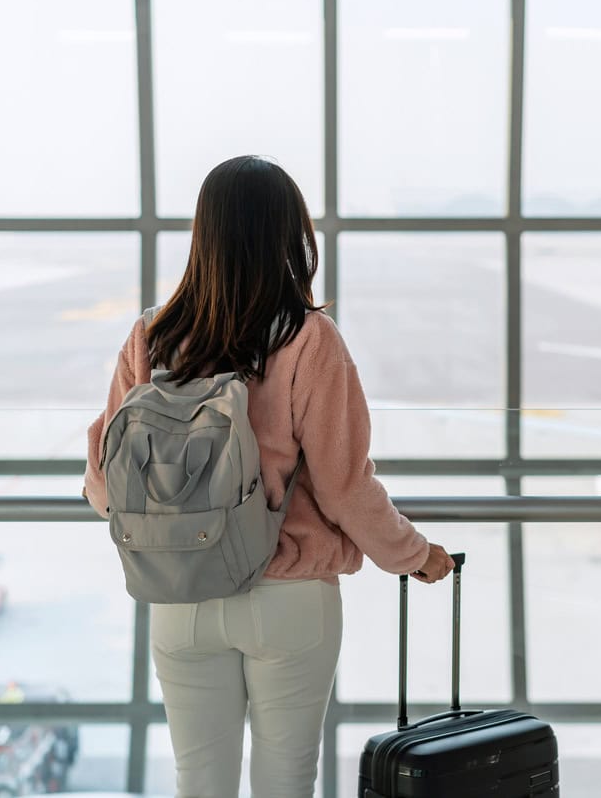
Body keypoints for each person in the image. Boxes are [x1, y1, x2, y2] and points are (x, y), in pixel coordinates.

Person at [82, 155, 455, 798]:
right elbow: (345, 487)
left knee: (199, 781)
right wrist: (414, 556)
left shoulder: (151, 336)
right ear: (290, 236)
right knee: (286, 780)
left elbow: (105, 486)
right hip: (290, 596)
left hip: (180, 594)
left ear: (204, 235)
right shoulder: (309, 338)